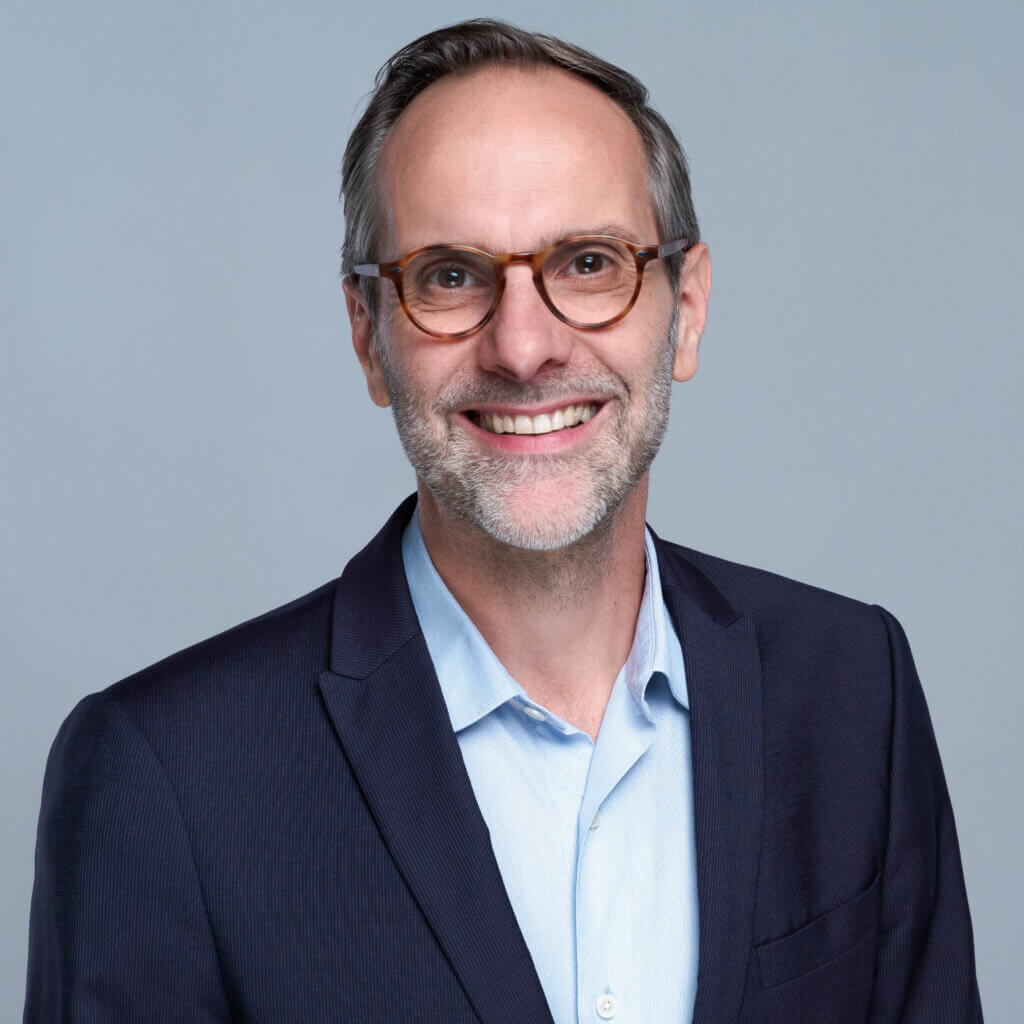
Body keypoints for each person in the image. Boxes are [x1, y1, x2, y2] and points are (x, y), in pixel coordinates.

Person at [23, 17, 982, 1024]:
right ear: (368, 337)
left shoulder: (852, 689)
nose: (524, 348)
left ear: (688, 309)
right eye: (449, 275)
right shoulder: (165, 777)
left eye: (589, 263)